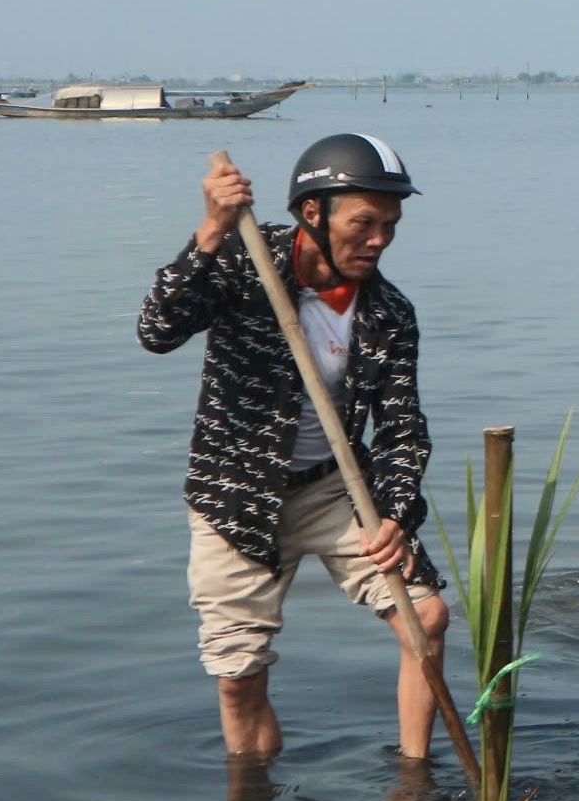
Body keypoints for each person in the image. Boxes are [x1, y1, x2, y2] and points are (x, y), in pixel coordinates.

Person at [138, 135, 448, 758]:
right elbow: (157, 329)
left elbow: (402, 430)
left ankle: (413, 782)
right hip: (236, 496)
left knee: (427, 618)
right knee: (239, 677)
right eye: (363, 223)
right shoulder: (243, 261)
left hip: (335, 488)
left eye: (390, 225)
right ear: (313, 212)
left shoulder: (389, 313)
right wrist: (211, 229)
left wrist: (395, 514)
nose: (379, 240)